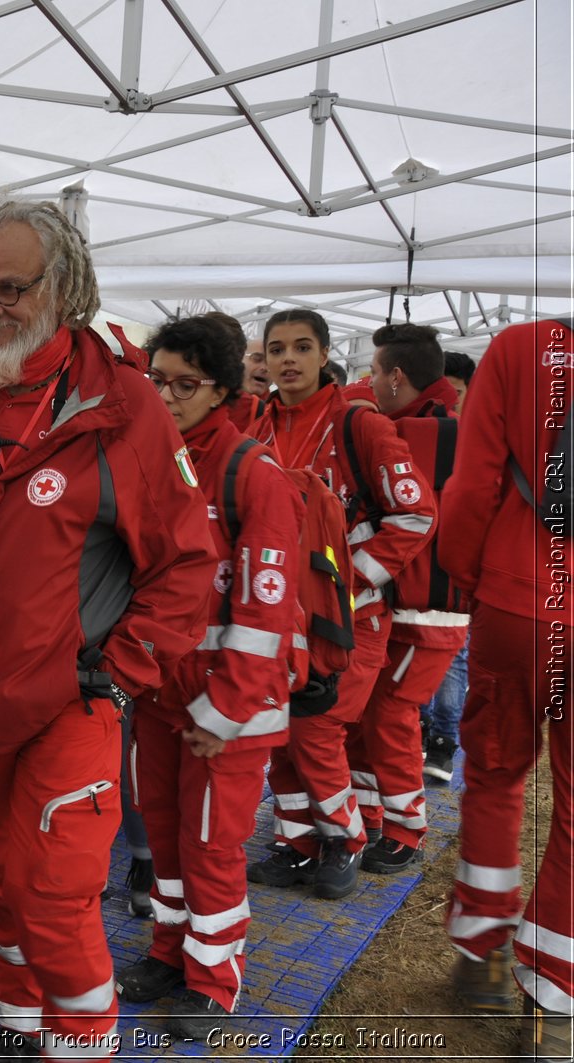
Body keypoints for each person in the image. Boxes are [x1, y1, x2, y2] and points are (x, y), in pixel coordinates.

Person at [0, 201, 215, 1059]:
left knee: (56, 895)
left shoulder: (126, 408)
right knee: (0, 881)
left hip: (69, 703)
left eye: (9, 287)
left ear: (64, 289)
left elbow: (188, 564)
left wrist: (115, 675)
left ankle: (81, 1043)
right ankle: (22, 1026)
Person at [115, 315, 299, 1041]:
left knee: (211, 846)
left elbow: (265, 611)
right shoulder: (154, 460)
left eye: (183, 384)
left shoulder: (254, 475)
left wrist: (222, 712)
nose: (165, 395)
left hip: (229, 712)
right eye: (155, 380)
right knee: (162, 836)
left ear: (221, 388)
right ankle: (170, 949)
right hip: (159, 697)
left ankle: (214, 979)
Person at [246, 309, 434, 899]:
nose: (288, 360)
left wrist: (351, 586)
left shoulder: (361, 425)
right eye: (277, 350)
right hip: (275, 615)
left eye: (302, 347)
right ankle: (298, 844)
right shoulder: (255, 425)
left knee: (316, 734)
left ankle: (346, 839)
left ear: (325, 354)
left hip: (348, 622)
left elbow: (416, 515)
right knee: (275, 733)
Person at [438, 318, 572, 1057]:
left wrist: (468, 576)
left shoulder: (521, 348)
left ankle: (483, 949)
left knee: (494, 775)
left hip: (520, 598)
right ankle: (556, 1005)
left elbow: (475, 480)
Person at [348, 323, 464, 873]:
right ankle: (375, 818)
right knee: (373, 714)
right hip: (407, 608)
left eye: (372, 372)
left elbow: (418, 519)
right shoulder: (425, 430)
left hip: (429, 613)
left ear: (396, 376)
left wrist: (358, 576)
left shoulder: (431, 437)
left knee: (391, 715)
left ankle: (405, 829)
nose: (367, 382)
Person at [419, 348, 478, 782]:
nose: (449, 402)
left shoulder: (477, 438)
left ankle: (441, 741)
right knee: (418, 648)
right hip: (422, 562)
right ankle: (422, 730)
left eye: (456, 393)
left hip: (455, 565)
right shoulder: (422, 430)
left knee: (454, 655)